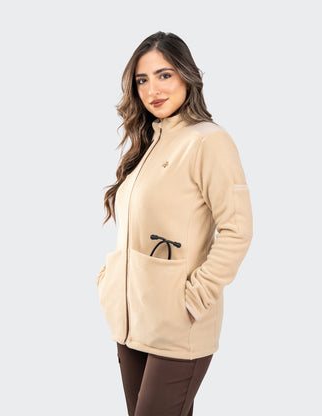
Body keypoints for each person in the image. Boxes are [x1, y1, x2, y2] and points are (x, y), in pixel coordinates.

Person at [96, 31, 253, 416]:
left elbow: (237, 229)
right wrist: (110, 280)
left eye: (164, 75)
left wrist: (194, 298)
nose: (152, 90)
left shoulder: (208, 141)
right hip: (131, 321)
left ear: (187, 75)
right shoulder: (149, 142)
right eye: (142, 80)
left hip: (179, 326)